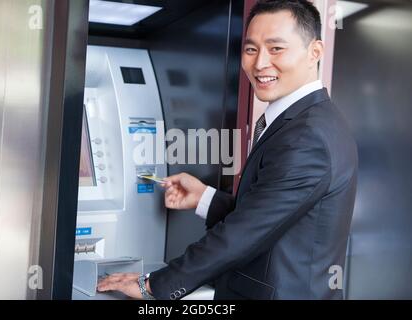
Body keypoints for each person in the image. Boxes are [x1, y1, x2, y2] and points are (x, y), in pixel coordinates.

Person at [97, 0, 358, 300]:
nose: (260, 63)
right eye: (251, 49)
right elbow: (269, 216)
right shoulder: (308, 121)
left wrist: (154, 285)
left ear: (315, 52)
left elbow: (245, 233)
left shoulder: (307, 136)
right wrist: (204, 198)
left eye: (276, 49)